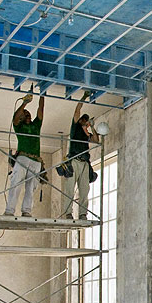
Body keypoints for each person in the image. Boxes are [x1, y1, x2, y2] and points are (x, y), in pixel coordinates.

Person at [4, 92, 45, 217]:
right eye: (24, 114)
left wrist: (43, 93)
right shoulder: (19, 127)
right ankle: (10, 211)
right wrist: (24, 103)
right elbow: (15, 118)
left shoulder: (36, 125)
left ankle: (26, 211)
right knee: (16, 184)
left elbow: (41, 109)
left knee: (31, 188)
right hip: (23, 158)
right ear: (21, 118)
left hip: (36, 160)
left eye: (28, 113)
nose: (27, 114)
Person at [63, 90, 98, 220]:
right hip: (74, 161)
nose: (84, 121)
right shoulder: (75, 128)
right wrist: (84, 96)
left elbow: (96, 140)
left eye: (86, 120)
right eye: (84, 119)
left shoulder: (86, 135)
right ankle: (68, 213)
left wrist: (92, 128)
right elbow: (77, 110)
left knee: (84, 189)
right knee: (70, 188)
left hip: (84, 163)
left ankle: (83, 213)